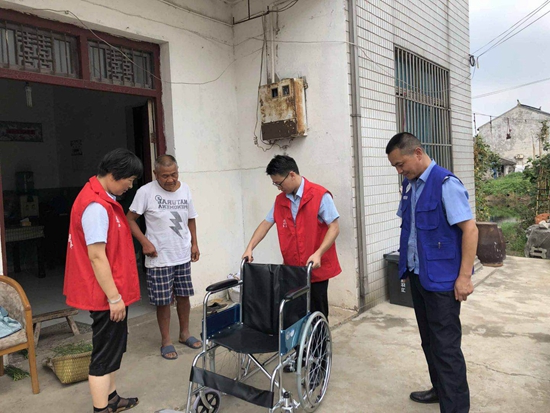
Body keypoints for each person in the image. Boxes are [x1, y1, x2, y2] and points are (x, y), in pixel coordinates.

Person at [386, 132, 478, 413]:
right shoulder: (410, 185)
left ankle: (456, 408)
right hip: (419, 275)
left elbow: (470, 230)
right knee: (429, 341)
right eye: (395, 167)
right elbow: (411, 229)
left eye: (401, 164)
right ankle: (440, 390)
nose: (399, 171)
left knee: (446, 347)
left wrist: (464, 277)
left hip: (442, 282)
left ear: (417, 153)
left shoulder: (446, 184)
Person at [64, 148, 143, 413]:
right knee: (103, 354)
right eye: (129, 180)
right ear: (113, 174)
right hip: (105, 294)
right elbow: (97, 256)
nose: (130, 186)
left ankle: (112, 398)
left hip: (110, 290)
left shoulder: (102, 198)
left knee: (112, 350)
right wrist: (114, 298)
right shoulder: (96, 207)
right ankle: (101, 409)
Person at [242, 154, 341, 320]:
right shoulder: (280, 200)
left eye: (279, 183)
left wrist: (318, 253)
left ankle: (320, 338)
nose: (278, 188)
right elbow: (266, 224)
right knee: (295, 313)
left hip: (315, 266)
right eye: (275, 184)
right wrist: (249, 248)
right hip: (293, 269)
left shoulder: (319, 195)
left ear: (292, 175)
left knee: (317, 313)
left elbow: (334, 228)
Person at [127, 154, 201, 361]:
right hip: (159, 256)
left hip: (182, 253)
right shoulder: (145, 192)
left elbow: (191, 218)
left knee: (184, 296)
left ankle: (184, 333)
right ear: (155, 174)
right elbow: (129, 219)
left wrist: (195, 243)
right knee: (163, 301)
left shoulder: (185, 189)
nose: (171, 179)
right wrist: (145, 242)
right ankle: (166, 340)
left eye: (174, 174)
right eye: (165, 176)